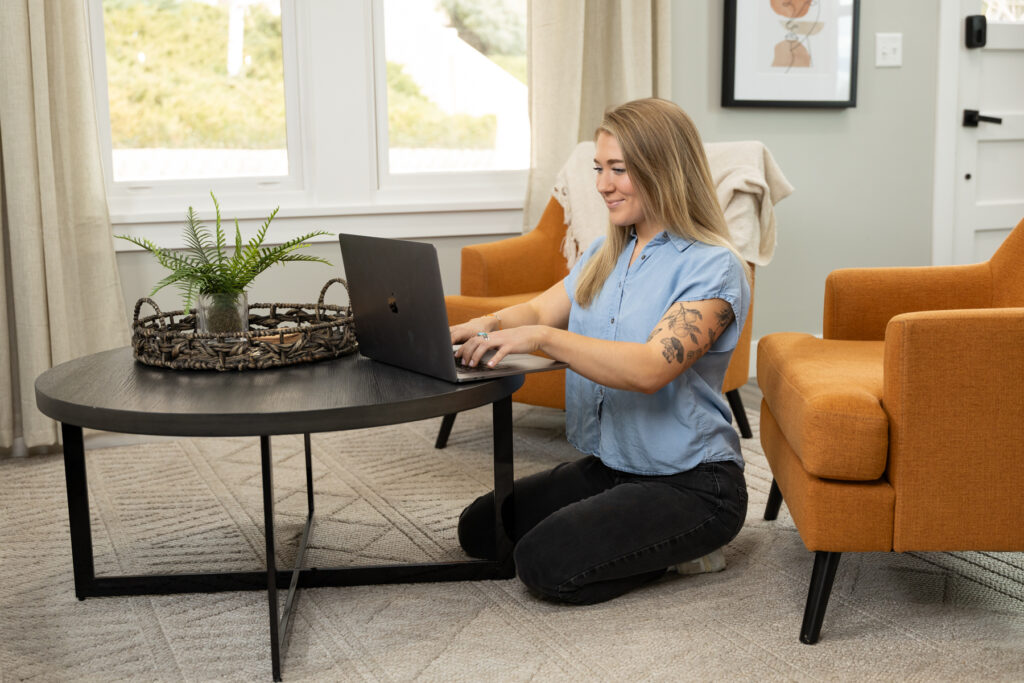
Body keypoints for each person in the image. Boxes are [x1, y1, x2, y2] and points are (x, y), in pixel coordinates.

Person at [450, 98, 751, 605]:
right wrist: (475, 327)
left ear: (664, 169)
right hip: (613, 465)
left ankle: (681, 550)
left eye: (619, 169)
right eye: (599, 168)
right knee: (481, 530)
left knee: (542, 564)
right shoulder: (606, 250)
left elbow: (651, 368)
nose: (602, 184)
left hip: (693, 483)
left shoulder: (713, 267)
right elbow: (540, 311)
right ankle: (638, 536)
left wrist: (545, 341)